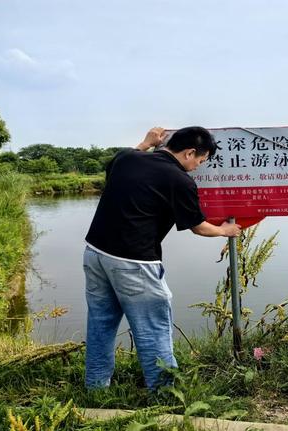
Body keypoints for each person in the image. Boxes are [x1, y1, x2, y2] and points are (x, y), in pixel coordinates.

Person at [82, 126, 241, 390]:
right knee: (153, 329)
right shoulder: (180, 180)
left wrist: (145, 142)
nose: (198, 168)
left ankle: (95, 387)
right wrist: (225, 230)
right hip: (135, 263)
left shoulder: (128, 158)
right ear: (189, 152)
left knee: (101, 323)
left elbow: (123, 158)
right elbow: (199, 226)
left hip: (95, 253)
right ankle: (164, 393)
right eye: (200, 161)